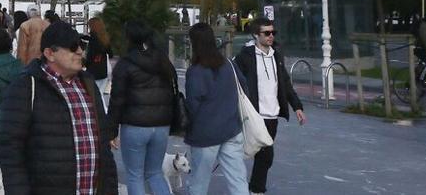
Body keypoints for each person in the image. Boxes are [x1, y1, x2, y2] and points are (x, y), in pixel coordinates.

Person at [0, 20, 118, 195]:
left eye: (81, 45)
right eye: (72, 47)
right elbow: (10, 150)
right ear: (50, 53)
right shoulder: (25, 86)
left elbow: (103, 147)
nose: (80, 51)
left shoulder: (88, 84)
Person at [232, 18, 305, 195]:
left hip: (272, 115)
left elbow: (285, 84)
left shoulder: (276, 56)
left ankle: (252, 187)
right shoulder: (245, 57)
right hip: (255, 114)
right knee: (265, 154)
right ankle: (256, 190)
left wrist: (297, 107)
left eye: (273, 33)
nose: (271, 36)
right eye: (267, 33)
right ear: (256, 35)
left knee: (262, 154)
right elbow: (234, 79)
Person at [107, 19, 175, 195]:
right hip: (161, 124)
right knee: (154, 173)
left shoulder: (125, 64)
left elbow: (117, 100)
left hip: (134, 124)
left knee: (135, 175)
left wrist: (111, 130)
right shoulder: (162, 60)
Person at [184, 22, 247, 195]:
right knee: (238, 180)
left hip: (205, 134)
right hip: (231, 129)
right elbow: (243, 87)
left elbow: (193, 105)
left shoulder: (196, 71)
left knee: (199, 182)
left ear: (194, 43)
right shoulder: (229, 65)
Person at [82, 16, 112, 94]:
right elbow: (111, 54)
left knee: (92, 96)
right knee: (100, 95)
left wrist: (83, 64)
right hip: (103, 71)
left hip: (92, 72)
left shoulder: (93, 40)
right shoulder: (105, 38)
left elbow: (90, 57)